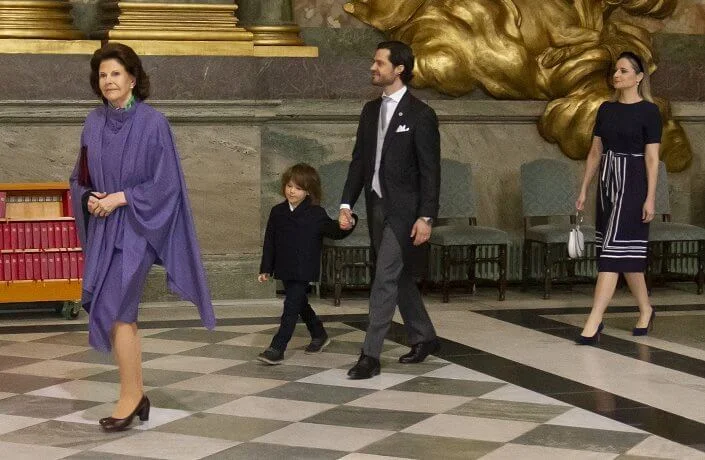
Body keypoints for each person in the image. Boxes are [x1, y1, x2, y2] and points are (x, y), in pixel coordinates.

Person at [69, 43, 216, 431]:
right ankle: (137, 392)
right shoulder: (92, 123)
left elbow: (166, 184)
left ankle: (131, 397)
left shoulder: (153, 123)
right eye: (102, 75)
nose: (108, 81)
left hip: (136, 227)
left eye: (116, 73)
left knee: (116, 307)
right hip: (104, 227)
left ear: (133, 79)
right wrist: (90, 198)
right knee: (116, 310)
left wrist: (121, 198)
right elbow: (79, 178)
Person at [339, 41, 441, 379]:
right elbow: (359, 163)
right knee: (396, 277)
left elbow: (430, 171)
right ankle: (424, 336)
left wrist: (426, 216)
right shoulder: (370, 111)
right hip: (376, 206)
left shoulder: (421, 115)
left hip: (406, 212)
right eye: (374, 61)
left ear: (399, 68)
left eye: (379, 62)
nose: (373, 67)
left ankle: (370, 355)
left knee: (384, 278)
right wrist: (346, 204)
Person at [575, 51, 661, 345]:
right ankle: (646, 309)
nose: (617, 75)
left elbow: (652, 158)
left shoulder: (650, 112)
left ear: (638, 77)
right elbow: (595, 152)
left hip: (634, 181)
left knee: (611, 253)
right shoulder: (606, 110)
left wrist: (650, 197)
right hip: (608, 181)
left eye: (624, 71)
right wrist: (584, 188)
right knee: (625, 255)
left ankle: (594, 320)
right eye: (616, 70)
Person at [257, 163, 356, 364]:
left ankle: (277, 347)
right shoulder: (277, 212)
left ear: (309, 191)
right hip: (285, 267)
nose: (292, 191)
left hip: (304, 269)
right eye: (289, 186)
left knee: (290, 306)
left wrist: (349, 222)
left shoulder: (316, 213)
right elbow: (270, 241)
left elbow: (335, 232)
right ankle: (319, 334)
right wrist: (266, 267)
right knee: (300, 304)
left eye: (298, 188)